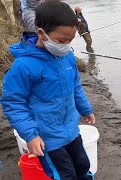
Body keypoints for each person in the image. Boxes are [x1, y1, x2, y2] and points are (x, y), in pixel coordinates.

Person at [1, 0, 95, 179]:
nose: (66, 45)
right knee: (64, 174)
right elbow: (13, 103)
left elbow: (75, 86)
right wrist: (30, 135)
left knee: (83, 165)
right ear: (41, 34)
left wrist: (85, 109)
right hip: (47, 138)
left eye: (70, 40)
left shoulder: (66, 57)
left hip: (71, 129)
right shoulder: (23, 66)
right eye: (61, 40)